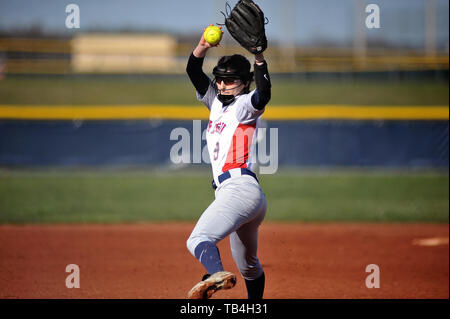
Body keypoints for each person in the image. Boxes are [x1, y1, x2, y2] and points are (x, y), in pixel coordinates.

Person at [185, 26, 272, 299]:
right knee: (249, 266)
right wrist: (202, 45)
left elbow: (264, 94)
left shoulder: (245, 104)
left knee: (198, 239)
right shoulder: (215, 101)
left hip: (239, 189)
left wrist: (259, 58)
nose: (222, 85)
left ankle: (216, 274)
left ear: (245, 82)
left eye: (230, 80)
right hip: (247, 196)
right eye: (220, 79)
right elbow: (193, 71)